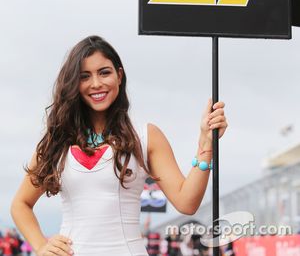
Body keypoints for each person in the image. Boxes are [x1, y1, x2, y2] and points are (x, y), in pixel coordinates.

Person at [10, 35, 228, 256]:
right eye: (85, 76)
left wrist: (205, 145)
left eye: (104, 72)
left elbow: (186, 202)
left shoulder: (145, 136)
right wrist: (40, 245)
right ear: (74, 83)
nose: (96, 84)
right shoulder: (57, 141)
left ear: (119, 75)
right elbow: (21, 203)